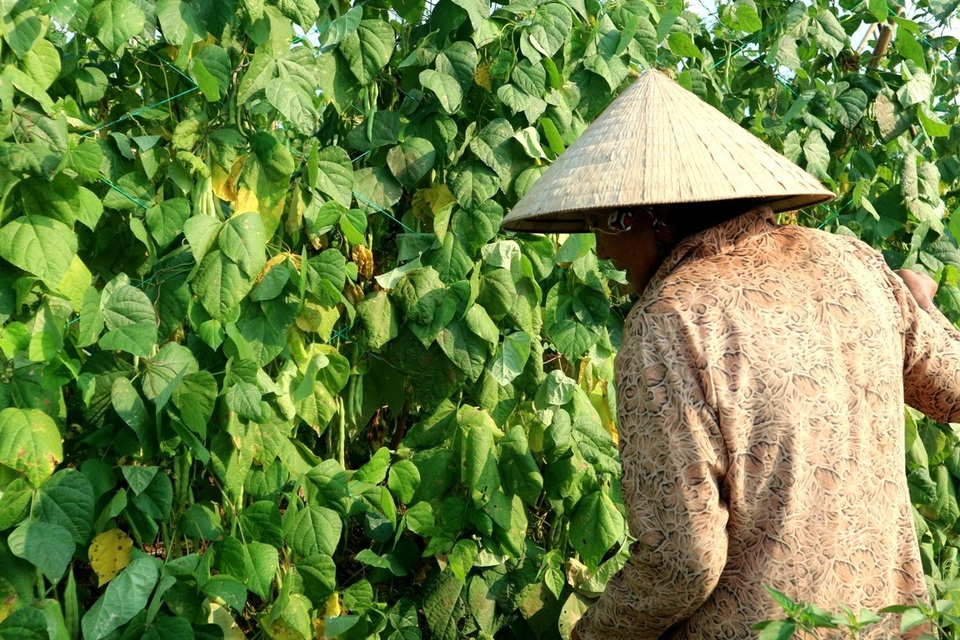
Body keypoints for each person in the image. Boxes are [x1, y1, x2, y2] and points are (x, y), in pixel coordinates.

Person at [500, 70, 960, 639]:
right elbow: (955, 391)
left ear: (655, 215)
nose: (600, 247)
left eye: (607, 221)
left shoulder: (671, 324)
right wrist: (921, 308)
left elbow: (683, 563)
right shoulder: (856, 266)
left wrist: (594, 634)